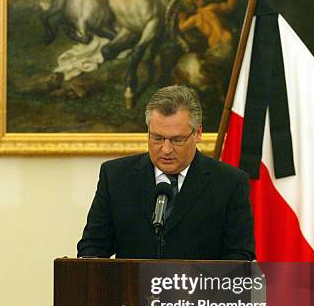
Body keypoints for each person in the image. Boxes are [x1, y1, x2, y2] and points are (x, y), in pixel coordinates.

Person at [77, 85, 255, 260]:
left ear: (198, 133)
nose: (166, 149)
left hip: (201, 288)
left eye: (177, 140)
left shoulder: (229, 182)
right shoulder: (116, 176)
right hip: (131, 287)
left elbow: (240, 254)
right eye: (157, 138)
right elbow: (93, 246)